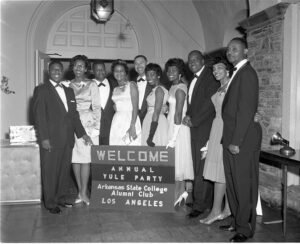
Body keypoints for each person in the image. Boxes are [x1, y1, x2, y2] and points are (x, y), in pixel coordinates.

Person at [33, 60, 92, 214]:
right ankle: (51, 203)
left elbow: (74, 116)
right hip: (51, 140)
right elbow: (39, 116)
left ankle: (60, 198)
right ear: (49, 71)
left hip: (67, 139)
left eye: (59, 69)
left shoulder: (69, 91)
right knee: (50, 171)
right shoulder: (41, 90)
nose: (57, 72)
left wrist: (83, 134)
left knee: (63, 172)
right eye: (54, 69)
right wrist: (44, 138)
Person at [219, 37, 262, 242]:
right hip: (230, 137)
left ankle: (245, 228)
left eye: (235, 49)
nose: (230, 52)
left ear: (246, 51)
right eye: (228, 50)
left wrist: (236, 141)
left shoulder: (247, 74)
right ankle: (237, 220)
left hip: (241, 140)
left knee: (244, 184)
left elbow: (246, 111)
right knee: (233, 183)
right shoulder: (237, 74)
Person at [182, 50, 220, 218]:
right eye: (189, 61)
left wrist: (195, 120)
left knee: (201, 167)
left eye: (195, 59)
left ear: (203, 60)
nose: (192, 63)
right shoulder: (193, 79)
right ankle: (202, 200)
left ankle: (199, 205)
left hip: (205, 127)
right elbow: (192, 102)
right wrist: (188, 116)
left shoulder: (210, 76)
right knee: (197, 165)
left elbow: (210, 103)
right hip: (195, 127)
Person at [199, 57, 233, 225]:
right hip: (216, 127)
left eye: (219, 68)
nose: (216, 72)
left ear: (228, 70)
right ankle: (227, 209)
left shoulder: (232, 86)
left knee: (220, 172)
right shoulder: (221, 87)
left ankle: (215, 211)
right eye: (213, 70)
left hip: (225, 129)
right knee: (222, 171)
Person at [69, 55, 101, 205]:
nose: (78, 68)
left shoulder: (92, 84)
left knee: (86, 159)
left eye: (81, 66)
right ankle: (80, 191)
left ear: (86, 68)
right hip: (72, 123)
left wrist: (96, 128)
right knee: (75, 159)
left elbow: (96, 107)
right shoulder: (67, 85)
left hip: (88, 123)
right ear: (72, 67)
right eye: (76, 65)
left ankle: (84, 193)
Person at [165, 58, 194, 206]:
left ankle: (179, 192)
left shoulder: (181, 88)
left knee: (178, 160)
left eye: (174, 70)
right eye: (169, 70)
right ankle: (180, 192)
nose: (170, 73)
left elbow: (178, 114)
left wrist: (174, 137)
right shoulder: (172, 87)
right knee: (175, 160)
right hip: (172, 124)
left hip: (178, 128)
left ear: (180, 72)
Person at [109, 59, 141, 145]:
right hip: (117, 121)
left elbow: (135, 107)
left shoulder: (132, 85)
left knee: (132, 147)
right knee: (117, 148)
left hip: (130, 119)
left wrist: (132, 125)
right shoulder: (115, 89)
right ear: (113, 73)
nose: (119, 73)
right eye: (116, 71)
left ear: (125, 72)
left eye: (121, 71)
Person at [141, 63, 169, 146]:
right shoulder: (154, 89)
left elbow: (156, 113)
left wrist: (150, 136)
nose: (149, 77)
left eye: (152, 74)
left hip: (155, 123)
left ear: (158, 75)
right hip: (149, 120)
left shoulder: (159, 90)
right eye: (147, 75)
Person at [92, 61, 118, 145]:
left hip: (111, 128)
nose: (100, 72)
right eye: (97, 70)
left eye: (102, 69)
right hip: (93, 129)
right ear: (93, 71)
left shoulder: (115, 84)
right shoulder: (87, 85)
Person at [134, 55, 152, 125]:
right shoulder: (131, 83)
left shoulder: (154, 82)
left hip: (150, 118)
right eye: (136, 63)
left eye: (141, 62)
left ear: (147, 63)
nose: (139, 65)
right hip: (135, 119)